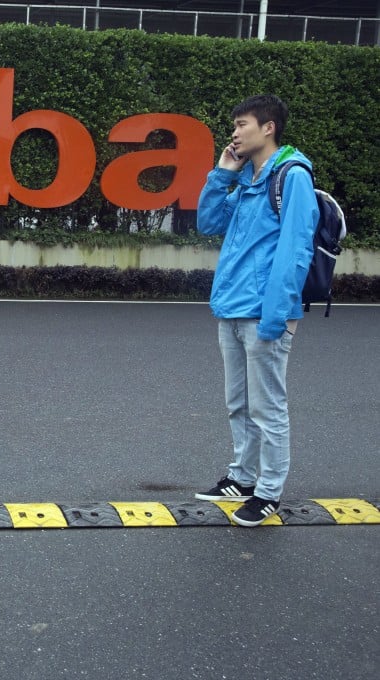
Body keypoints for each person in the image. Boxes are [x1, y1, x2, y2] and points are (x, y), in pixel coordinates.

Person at [194, 94, 319, 527]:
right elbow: (209, 223)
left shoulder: (292, 176)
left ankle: (268, 492)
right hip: (230, 307)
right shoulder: (247, 176)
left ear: (268, 128)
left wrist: (275, 314)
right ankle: (243, 477)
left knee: (268, 407)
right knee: (238, 403)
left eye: (242, 123)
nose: (234, 132)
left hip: (264, 312)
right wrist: (222, 173)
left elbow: (295, 250)